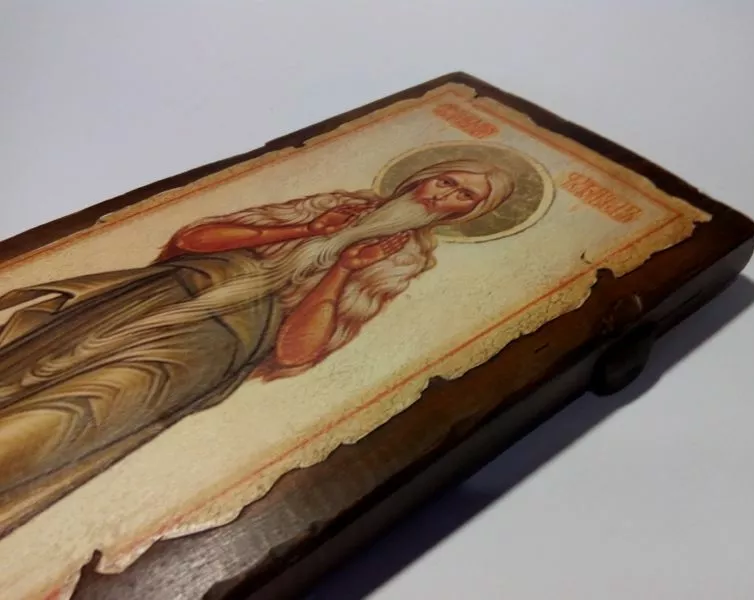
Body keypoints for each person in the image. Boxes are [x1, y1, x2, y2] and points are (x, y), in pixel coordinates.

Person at [0, 158, 514, 533]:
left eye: (463, 196)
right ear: (424, 176)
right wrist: (307, 227)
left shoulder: (402, 260)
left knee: (87, 409)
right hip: (175, 289)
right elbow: (193, 241)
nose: (442, 195)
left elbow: (296, 353)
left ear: (466, 214)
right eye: (446, 180)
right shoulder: (337, 205)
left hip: (215, 345)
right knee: (29, 365)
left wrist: (341, 270)